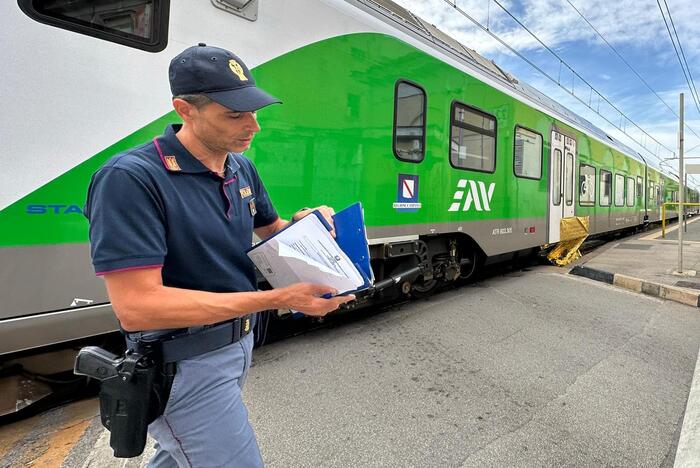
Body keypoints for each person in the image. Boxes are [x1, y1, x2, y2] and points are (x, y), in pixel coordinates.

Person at [85, 43, 354, 467]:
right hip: (182, 363)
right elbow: (138, 308)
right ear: (185, 109)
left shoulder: (239, 167)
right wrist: (277, 299)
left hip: (238, 345)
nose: (254, 126)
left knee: (180, 458)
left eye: (254, 111)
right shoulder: (131, 179)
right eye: (234, 114)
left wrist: (308, 224)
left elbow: (273, 231)